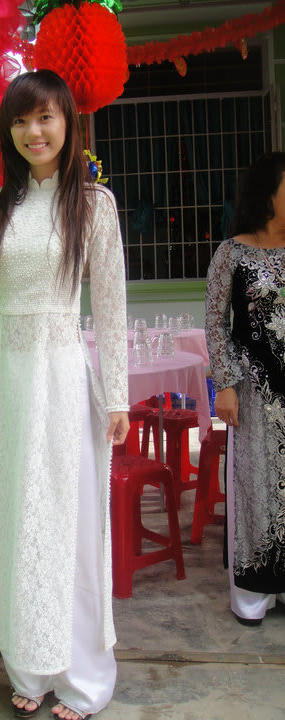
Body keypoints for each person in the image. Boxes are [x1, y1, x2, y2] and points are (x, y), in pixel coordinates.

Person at [0, 70, 129, 720]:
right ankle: (31, 668)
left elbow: (110, 305)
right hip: (5, 380)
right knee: (15, 522)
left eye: (46, 117)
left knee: (66, 525)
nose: (34, 131)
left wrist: (117, 396)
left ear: (68, 124)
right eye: (22, 120)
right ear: (9, 130)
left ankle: (82, 679)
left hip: (60, 380)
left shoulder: (95, 205)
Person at [205, 152, 285, 626]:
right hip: (254, 393)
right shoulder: (231, 254)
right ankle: (255, 592)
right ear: (268, 194)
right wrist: (225, 385)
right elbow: (216, 324)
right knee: (255, 488)